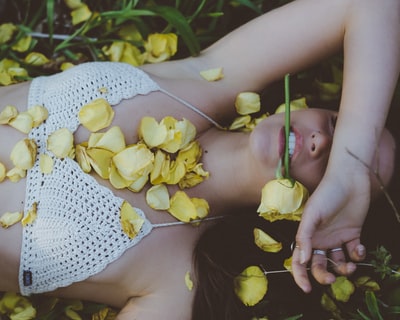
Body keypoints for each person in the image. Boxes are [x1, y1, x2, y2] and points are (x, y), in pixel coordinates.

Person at [0, 0, 398, 319]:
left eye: (328, 170)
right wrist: (349, 172)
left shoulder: (173, 283)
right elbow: (370, 4)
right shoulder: (212, 76)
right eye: (338, 124)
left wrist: (348, 187)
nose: (320, 143)